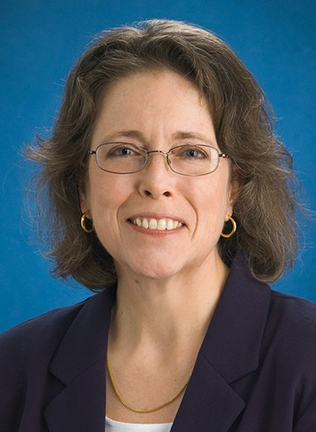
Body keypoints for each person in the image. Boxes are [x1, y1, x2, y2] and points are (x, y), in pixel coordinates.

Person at [0, 19, 315, 432]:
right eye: (124, 150)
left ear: (234, 189)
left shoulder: (307, 359)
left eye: (191, 152)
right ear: (83, 188)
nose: (156, 183)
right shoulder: (13, 367)